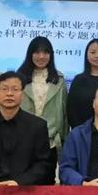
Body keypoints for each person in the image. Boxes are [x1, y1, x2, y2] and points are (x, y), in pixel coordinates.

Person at [17, 37, 68, 183]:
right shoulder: (19, 77)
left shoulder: (59, 79)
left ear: (51, 55)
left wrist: (63, 139)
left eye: (45, 52)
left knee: (47, 184)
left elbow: (64, 112)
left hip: (50, 141)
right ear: (30, 54)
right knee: (22, 183)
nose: (41, 56)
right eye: (37, 52)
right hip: (22, 140)